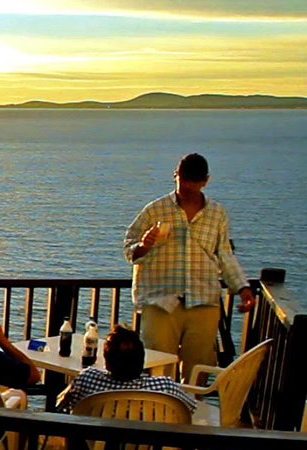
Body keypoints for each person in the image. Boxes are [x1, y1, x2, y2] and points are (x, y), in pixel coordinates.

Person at [124, 153, 252, 379]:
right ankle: (159, 412)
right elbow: (129, 248)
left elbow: (224, 254)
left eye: (194, 180)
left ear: (205, 181)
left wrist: (242, 288)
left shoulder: (217, 213)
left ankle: (192, 411)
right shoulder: (155, 210)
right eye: (183, 179)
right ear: (175, 176)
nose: (187, 185)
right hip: (161, 301)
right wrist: (144, 244)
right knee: (157, 369)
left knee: (198, 370)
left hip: (203, 301)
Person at [57, 324, 196, 413]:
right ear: (142, 361)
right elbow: (191, 408)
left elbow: (61, 404)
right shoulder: (165, 388)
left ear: (107, 361)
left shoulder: (87, 379)